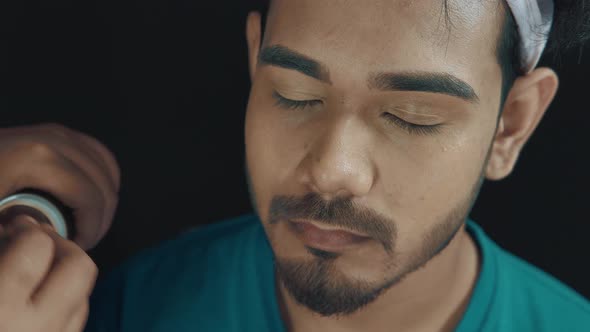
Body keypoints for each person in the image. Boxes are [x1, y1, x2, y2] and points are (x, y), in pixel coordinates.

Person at [0, 0, 589, 331]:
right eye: (296, 96)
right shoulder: (120, 310)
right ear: (255, 62)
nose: (333, 170)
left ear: (510, 125)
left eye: (412, 116)